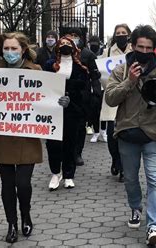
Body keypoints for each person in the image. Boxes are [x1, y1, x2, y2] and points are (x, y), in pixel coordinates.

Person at [0, 32, 70, 243]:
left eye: (14, 49)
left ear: (23, 49)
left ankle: (26, 214)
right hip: (2, 136)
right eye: (6, 49)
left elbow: (47, 98)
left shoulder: (36, 71)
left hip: (27, 136)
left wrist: (60, 102)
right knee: (7, 184)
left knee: (23, 183)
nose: (10, 53)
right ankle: (12, 224)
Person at [105, 25, 156, 245]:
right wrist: (129, 81)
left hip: (154, 133)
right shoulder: (120, 70)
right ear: (133, 46)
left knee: (155, 179)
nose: (145, 51)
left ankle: (153, 225)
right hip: (128, 133)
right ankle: (135, 206)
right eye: (140, 47)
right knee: (130, 179)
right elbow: (110, 99)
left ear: (154, 48)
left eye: (149, 47)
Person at [45, 36, 89, 190]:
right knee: (53, 143)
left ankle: (69, 174)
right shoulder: (50, 65)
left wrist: (70, 94)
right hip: (53, 110)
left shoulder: (80, 67)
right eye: (61, 44)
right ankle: (55, 173)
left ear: (73, 48)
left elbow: (84, 88)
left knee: (70, 142)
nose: (64, 46)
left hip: (73, 110)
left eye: (67, 44)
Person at [62, 27, 101, 166]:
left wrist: (96, 94)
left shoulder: (88, 54)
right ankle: (66, 152)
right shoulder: (59, 53)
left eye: (75, 36)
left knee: (79, 126)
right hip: (62, 96)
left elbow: (95, 75)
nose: (72, 38)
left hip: (81, 96)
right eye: (69, 35)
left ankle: (77, 153)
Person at [99, 24, 133, 182]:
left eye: (123, 33)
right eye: (118, 33)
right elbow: (103, 75)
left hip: (131, 98)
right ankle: (115, 159)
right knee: (113, 135)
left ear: (129, 35)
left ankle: (124, 168)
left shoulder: (134, 51)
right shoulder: (107, 52)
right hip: (113, 97)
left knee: (125, 135)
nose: (121, 35)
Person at [86, 35, 104, 141]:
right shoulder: (88, 55)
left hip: (103, 85)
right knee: (94, 108)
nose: (94, 45)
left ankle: (103, 131)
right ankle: (94, 129)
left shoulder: (104, 54)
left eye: (95, 43)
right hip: (93, 85)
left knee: (103, 109)